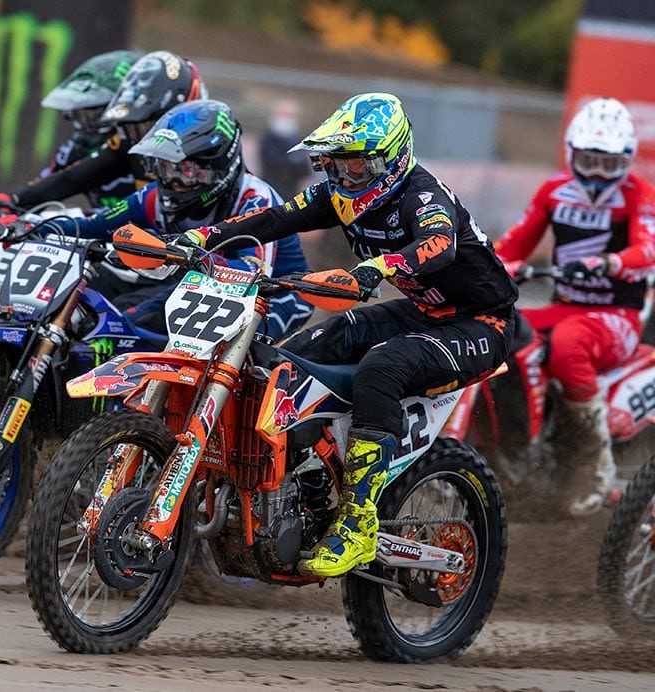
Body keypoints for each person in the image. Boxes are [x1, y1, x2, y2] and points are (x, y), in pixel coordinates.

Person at [181, 92, 519, 577]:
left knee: (382, 367)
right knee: (291, 356)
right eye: (334, 167)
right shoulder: (340, 194)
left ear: (392, 158)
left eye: (355, 167)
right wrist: (201, 238)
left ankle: (358, 523)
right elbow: (274, 219)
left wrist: (374, 270)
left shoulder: (422, 196)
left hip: (482, 323)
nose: (343, 178)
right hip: (424, 310)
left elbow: (439, 246)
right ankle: (301, 482)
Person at [23, 100, 313, 341]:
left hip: (276, 296)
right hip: (195, 285)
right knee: (118, 324)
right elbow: (91, 227)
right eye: (165, 168)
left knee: (229, 345)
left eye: (186, 171)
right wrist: (26, 227)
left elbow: (252, 271)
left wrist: (185, 256)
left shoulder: (255, 198)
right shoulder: (154, 197)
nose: (173, 181)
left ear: (218, 166)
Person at [495, 97, 655, 516]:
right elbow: (513, 244)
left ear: (626, 161)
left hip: (617, 317)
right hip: (564, 306)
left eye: (609, 164)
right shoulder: (554, 191)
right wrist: (490, 264)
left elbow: (647, 248)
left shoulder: (639, 194)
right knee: (493, 328)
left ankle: (595, 464)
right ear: (571, 153)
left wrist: (611, 263)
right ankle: (506, 449)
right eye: (588, 160)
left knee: (568, 344)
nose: (598, 175)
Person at [0, 50, 203, 211]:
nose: (137, 138)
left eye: (144, 126)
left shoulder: (205, 151)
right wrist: (11, 201)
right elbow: (70, 179)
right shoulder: (125, 143)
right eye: (131, 127)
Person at [38, 49, 143, 209]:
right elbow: (40, 187)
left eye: (95, 117)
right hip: (98, 227)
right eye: (80, 116)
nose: (87, 128)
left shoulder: (144, 153)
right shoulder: (76, 148)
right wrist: (5, 204)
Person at [259, 98, 313, 199]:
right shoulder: (268, 138)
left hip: (291, 191)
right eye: (284, 114)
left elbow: (304, 168)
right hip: (272, 187)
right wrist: (293, 160)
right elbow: (272, 161)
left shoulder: (297, 139)